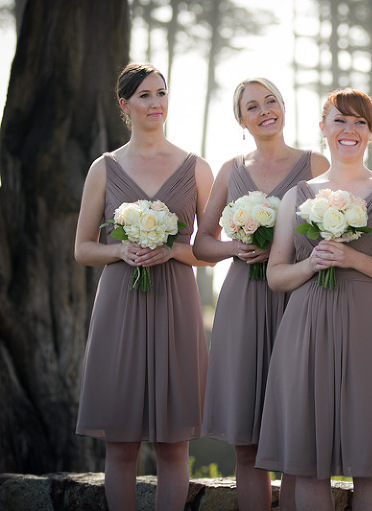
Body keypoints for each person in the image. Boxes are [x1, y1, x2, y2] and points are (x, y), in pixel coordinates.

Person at [253, 88, 372, 511]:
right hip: (306, 328)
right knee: (311, 462)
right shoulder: (297, 196)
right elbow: (276, 275)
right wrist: (312, 265)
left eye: (360, 122)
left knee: (370, 462)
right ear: (322, 128)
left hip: (370, 332)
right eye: (339, 120)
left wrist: (353, 258)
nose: (349, 130)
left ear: (370, 133)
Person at [74, 63, 214, 510]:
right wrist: (120, 251)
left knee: (173, 446)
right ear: (125, 105)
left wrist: (173, 251)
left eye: (161, 93)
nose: (156, 104)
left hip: (176, 305)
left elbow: (209, 249)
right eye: (145, 96)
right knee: (121, 445)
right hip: (120, 303)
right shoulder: (105, 167)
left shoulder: (195, 167)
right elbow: (82, 248)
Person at [192, 78, 329, 511]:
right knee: (247, 442)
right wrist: (237, 246)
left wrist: (287, 250)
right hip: (243, 303)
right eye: (253, 106)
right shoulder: (231, 169)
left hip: (298, 302)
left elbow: (331, 232)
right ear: (240, 119)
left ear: (284, 107)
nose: (265, 110)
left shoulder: (316, 164)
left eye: (271, 101)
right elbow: (201, 243)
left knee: (294, 439)